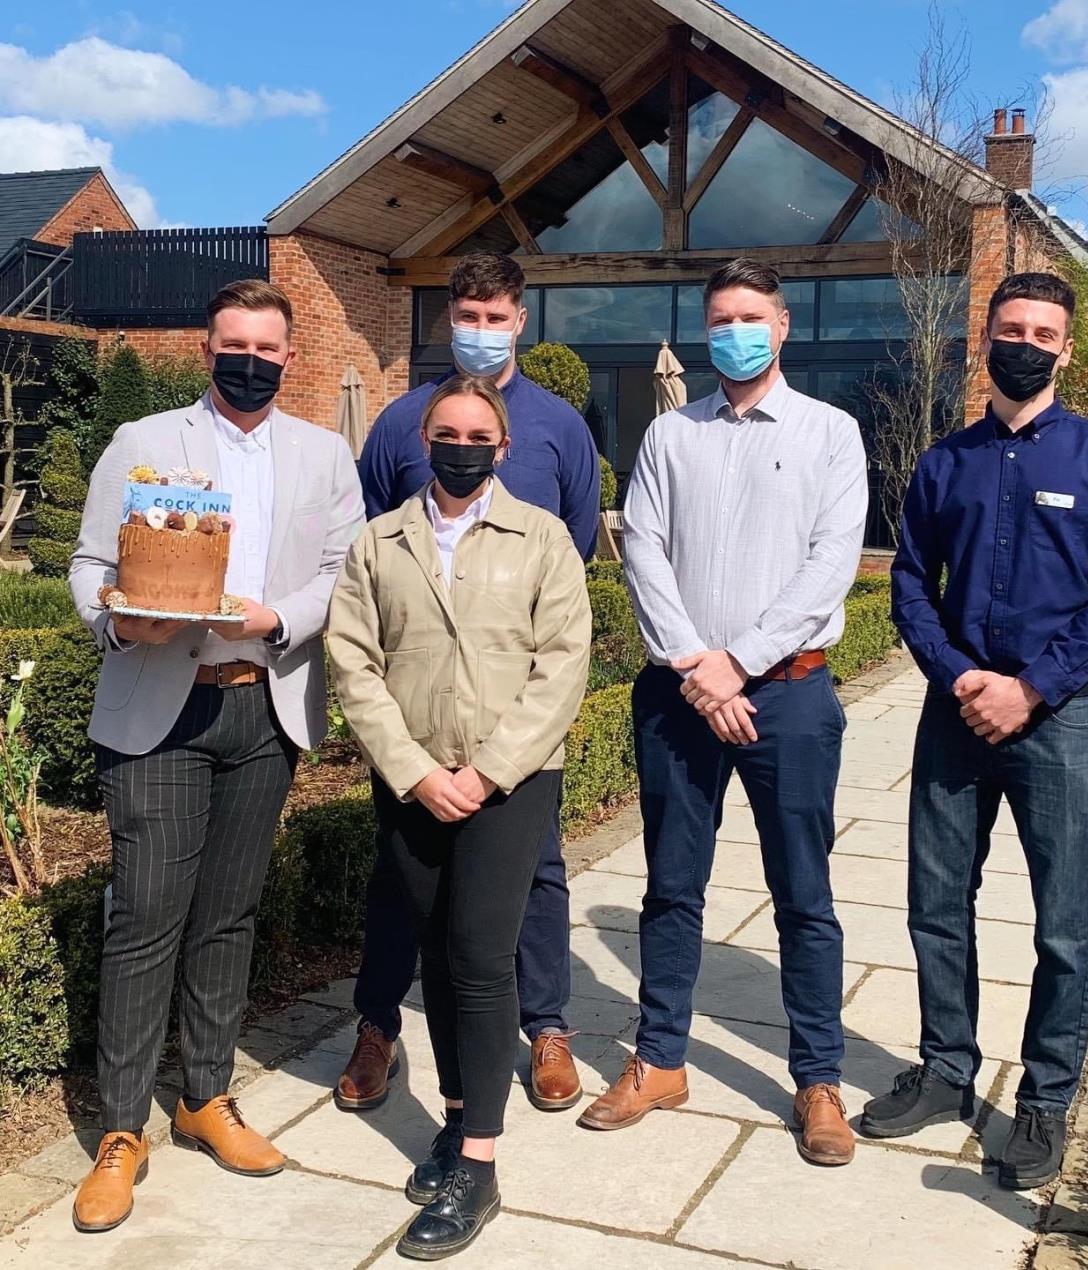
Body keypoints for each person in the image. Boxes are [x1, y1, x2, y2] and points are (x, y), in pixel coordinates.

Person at [66, 280, 364, 1232]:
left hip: (263, 707)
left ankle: (203, 1097)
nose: (248, 359)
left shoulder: (324, 455)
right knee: (145, 919)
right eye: (232, 342)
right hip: (163, 705)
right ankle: (121, 1130)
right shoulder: (145, 443)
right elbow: (86, 568)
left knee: (229, 918)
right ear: (207, 349)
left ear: (288, 357)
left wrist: (282, 619)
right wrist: (121, 622)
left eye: (265, 348)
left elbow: (341, 573)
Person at [864, 271, 1088, 1190]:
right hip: (955, 718)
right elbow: (910, 584)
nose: (1024, 343)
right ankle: (948, 1069)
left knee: (1064, 922)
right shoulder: (944, 464)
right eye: (1010, 328)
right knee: (935, 905)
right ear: (980, 340)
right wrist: (961, 680)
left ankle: (1045, 1096)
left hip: (1057, 723)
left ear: (1066, 348)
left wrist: (1029, 690)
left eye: (1043, 332)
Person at [578, 259, 868, 1166]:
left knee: (804, 894)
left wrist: (736, 664)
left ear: (782, 327)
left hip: (789, 694)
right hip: (678, 699)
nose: (735, 329)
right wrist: (702, 674)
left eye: (751, 315)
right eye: (720, 317)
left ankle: (817, 1077)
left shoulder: (832, 433)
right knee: (671, 885)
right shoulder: (671, 436)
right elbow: (642, 549)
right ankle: (661, 1057)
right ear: (706, 331)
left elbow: (831, 564)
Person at [328, 374, 590, 1259]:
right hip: (411, 782)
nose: (462, 445)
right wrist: (410, 769)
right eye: (448, 431)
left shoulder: (543, 539)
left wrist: (485, 771)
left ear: (503, 448)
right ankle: (453, 1116)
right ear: (423, 440)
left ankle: (480, 1162)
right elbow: (354, 662)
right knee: (435, 953)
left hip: (509, 785)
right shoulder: (379, 542)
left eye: (480, 434)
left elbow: (562, 666)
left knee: (481, 957)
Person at [337, 251, 599, 1115]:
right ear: (448, 318)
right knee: (398, 878)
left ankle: (547, 1025)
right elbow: (374, 545)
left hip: (512, 729)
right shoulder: (400, 423)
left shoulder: (561, 427)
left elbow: (575, 560)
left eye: (497, 317)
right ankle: (378, 1024)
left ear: (521, 319)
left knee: (539, 874)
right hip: (414, 728)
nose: (480, 332)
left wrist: (503, 749)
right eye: (467, 316)